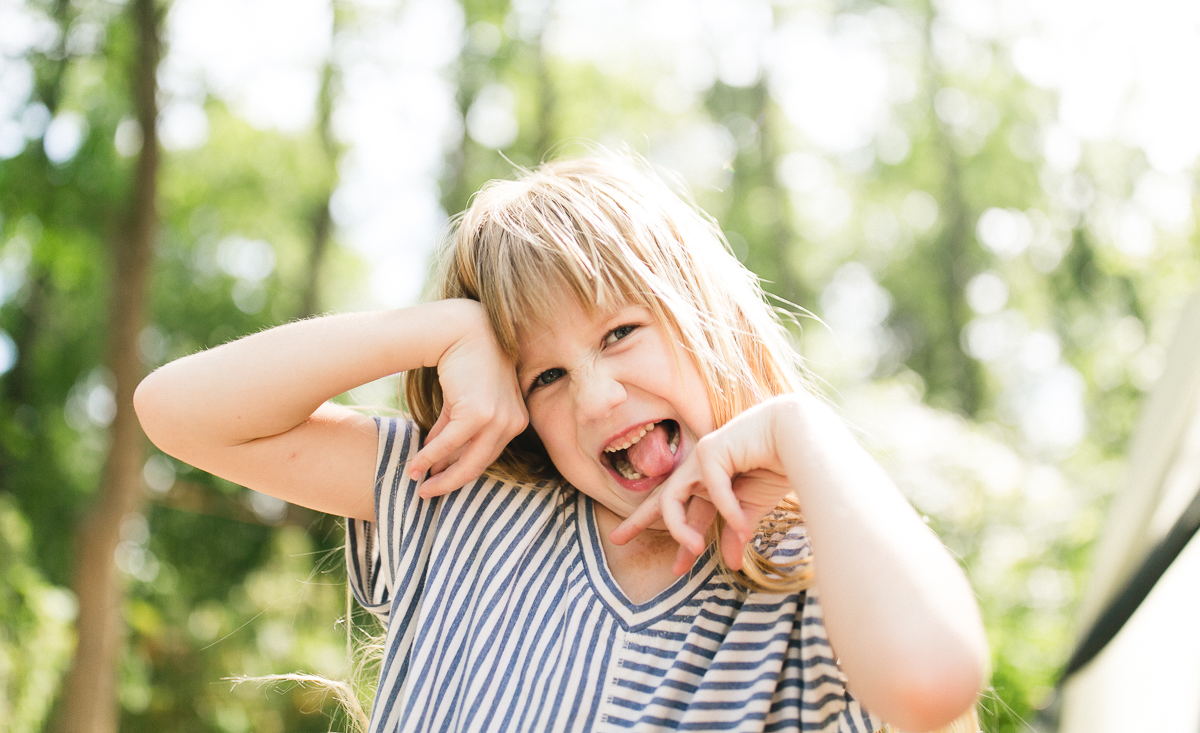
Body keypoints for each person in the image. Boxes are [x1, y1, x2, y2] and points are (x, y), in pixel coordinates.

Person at [134, 154, 988, 733]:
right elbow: (178, 411)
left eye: (620, 332)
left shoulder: (821, 577)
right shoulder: (466, 500)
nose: (597, 397)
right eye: (543, 375)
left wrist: (802, 431)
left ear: (710, 318)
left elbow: (933, 681)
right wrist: (442, 331)